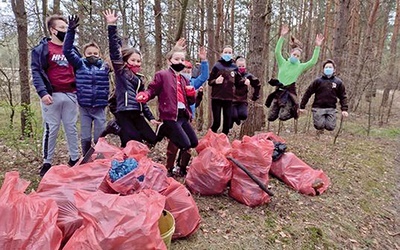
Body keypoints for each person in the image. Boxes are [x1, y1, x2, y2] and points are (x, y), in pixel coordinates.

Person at [31, 14, 80, 177]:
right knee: (51, 129)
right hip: (52, 95)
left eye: (67, 28)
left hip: (71, 94)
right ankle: (47, 162)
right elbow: (36, 72)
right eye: (62, 28)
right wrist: (42, 92)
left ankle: (74, 158)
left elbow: (81, 69)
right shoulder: (41, 49)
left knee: (71, 128)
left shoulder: (72, 49)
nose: (65, 31)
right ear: (53, 30)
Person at [136, 47, 198, 176]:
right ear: (169, 61)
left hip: (183, 116)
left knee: (193, 142)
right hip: (170, 116)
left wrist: (192, 95)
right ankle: (174, 167)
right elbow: (152, 90)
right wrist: (145, 95)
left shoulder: (184, 79)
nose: (180, 62)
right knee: (185, 144)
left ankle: (178, 166)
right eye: (176, 59)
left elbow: (191, 102)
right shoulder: (162, 75)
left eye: (182, 59)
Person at [104, 9, 159, 147]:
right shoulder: (121, 72)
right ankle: (116, 128)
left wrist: (150, 117)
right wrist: (112, 27)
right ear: (126, 61)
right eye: (133, 60)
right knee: (133, 141)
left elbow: (143, 101)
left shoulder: (140, 79)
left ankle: (124, 136)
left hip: (137, 113)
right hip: (123, 111)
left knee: (152, 139)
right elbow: (114, 53)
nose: (136, 63)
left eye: (138, 61)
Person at [63, 15, 110, 156]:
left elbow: (117, 55)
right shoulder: (80, 64)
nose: (92, 55)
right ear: (84, 54)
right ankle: (86, 157)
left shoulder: (105, 66)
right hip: (84, 106)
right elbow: (67, 51)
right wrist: (70, 31)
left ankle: (100, 158)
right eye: (89, 53)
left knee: (99, 136)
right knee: (85, 137)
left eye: (95, 53)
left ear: (100, 54)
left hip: (100, 107)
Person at [266, 24, 324, 122]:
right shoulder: (282, 62)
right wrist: (282, 37)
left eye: (298, 56)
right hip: (278, 92)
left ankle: (294, 111)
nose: (295, 57)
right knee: (270, 117)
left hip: (289, 94)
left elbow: (313, 62)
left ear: (299, 58)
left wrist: (317, 47)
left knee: (283, 116)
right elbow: (277, 52)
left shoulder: (300, 67)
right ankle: (279, 109)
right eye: (294, 55)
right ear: (291, 53)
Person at [165, 45, 208, 176]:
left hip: (188, 118)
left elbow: (205, 76)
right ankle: (169, 168)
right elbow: (168, 71)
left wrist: (204, 61)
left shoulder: (192, 83)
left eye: (190, 69)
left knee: (188, 146)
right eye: (186, 69)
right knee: (173, 145)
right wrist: (175, 49)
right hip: (173, 117)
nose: (187, 71)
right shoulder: (172, 79)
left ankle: (182, 167)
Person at [299, 59, 349, 133]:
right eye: (326, 67)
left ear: (334, 69)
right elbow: (308, 93)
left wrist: (344, 109)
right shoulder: (318, 81)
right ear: (323, 69)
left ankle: (326, 121)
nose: (328, 69)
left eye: (330, 67)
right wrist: (302, 106)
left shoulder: (338, 82)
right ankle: (320, 124)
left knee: (330, 127)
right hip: (318, 108)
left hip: (331, 108)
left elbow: (343, 96)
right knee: (319, 126)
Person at [208, 45, 242, 134]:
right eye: (226, 52)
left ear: (232, 54)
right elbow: (209, 81)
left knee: (227, 124)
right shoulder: (217, 66)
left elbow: (238, 83)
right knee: (217, 123)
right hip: (217, 98)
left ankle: (223, 143)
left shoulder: (235, 67)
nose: (227, 54)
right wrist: (216, 81)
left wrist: (245, 81)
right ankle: (209, 139)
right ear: (222, 53)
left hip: (229, 99)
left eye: (229, 53)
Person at [230, 56, 261, 128]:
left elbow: (257, 84)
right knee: (233, 117)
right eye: (239, 66)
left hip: (242, 100)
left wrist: (255, 96)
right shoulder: (233, 74)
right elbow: (235, 82)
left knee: (243, 116)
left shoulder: (248, 76)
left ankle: (236, 119)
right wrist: (244, 81)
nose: (241, 67)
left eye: (243, 66)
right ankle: (232, 121)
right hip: (232, 100)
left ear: (245, 66)